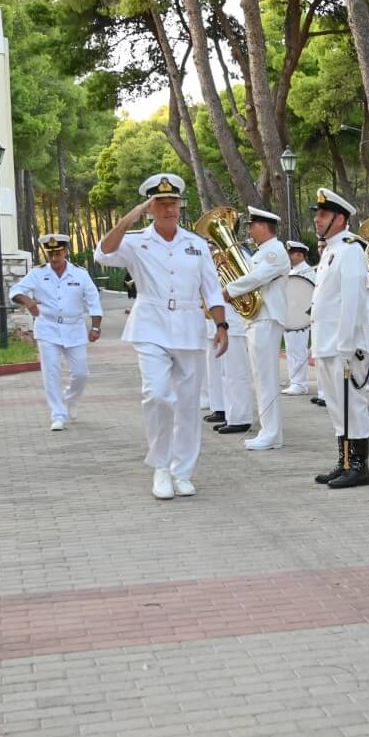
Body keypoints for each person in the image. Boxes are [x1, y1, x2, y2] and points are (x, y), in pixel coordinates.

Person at [94, 173, 228, 500]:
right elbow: (103, 253)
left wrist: (222, 326)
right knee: (157, 395)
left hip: (189, 325)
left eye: (174, 203)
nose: (169, 209)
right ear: (151, 206)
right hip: (151, 323)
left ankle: (183, 471)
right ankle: (161, 467)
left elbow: (211, 289)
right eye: (162, 203)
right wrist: (130, 217)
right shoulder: (137, 241)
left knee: (187, 405)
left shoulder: (195, 244)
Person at [310, 188, 369, 488]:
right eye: (317, 213)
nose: (316, 219)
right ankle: (345, 461)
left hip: (344, 345)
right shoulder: (331, 252)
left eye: (323, 214)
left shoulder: (350, 250)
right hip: (328, 344)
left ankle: (359, 466)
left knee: (352, 406)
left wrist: (346, 346)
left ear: (340, 218)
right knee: (338, 406)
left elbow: (352, 302)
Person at [9, 233, 103, 431]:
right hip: (47, 327)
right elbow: (15, 291)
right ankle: (58, 414)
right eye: (50, 254)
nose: (54, 258)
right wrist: (27, 301)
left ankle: (71, 399)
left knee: (81, 373)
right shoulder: (38, 273)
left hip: (74, 327)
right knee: (52, 372)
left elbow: (94, 301)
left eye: (58, 253)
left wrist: (95, 327)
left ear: (65, 252)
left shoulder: (80, 274)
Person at [225, 208, 291, 449]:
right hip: (258, 319)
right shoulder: (264, 251)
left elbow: (257, 278)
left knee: (266, 379)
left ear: (264, 226)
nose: (249, 230)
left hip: (267, 318)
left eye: (252, 225)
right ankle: (269, 431)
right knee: (261, 378)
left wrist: (229, 290)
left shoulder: (274, 251)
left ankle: (271, 433)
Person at [207, 242, 255, 435]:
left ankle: (241, 418)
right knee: (227, 374)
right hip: (227, 322)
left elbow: (247, 280)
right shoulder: (222, 258)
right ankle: (232, 414)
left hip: (236, 322)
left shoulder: (240, 255)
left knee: (237, 373)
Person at [283, 241, 315, 396]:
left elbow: (310, 295)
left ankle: (300, 384)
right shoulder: (292, 271)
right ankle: (295, 381)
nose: (289, 256)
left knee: (298, 350)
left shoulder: (308, 272)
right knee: (291, 349)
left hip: (301, 317)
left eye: (292, 253)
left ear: (300, 255)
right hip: (290, 316)